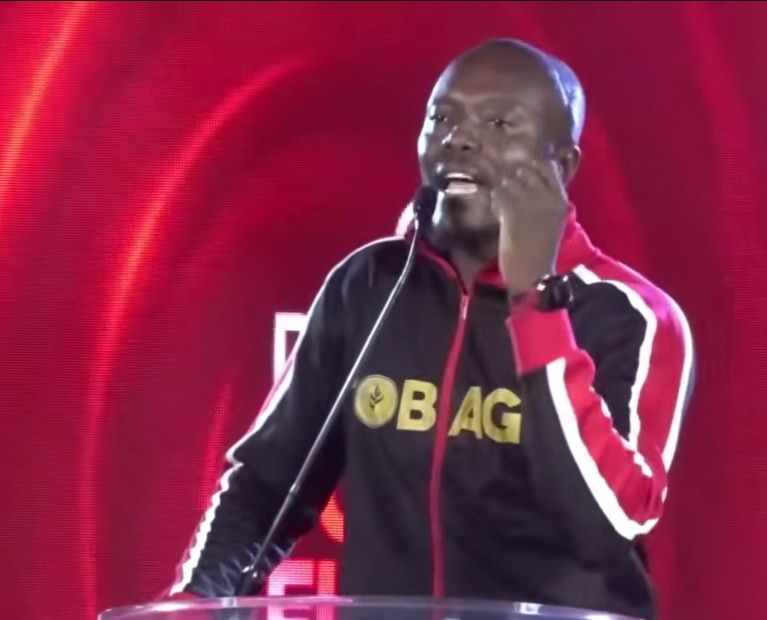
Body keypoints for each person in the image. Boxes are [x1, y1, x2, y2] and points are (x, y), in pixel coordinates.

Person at [167, 39, 694, 619]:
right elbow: (266, 489)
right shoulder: (368, 285)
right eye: (442, 118)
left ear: (561, 167)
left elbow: (603, 528)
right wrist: (195, 602)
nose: (459, 138)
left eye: (499, 123)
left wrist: (534, 302)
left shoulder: (629, 314)